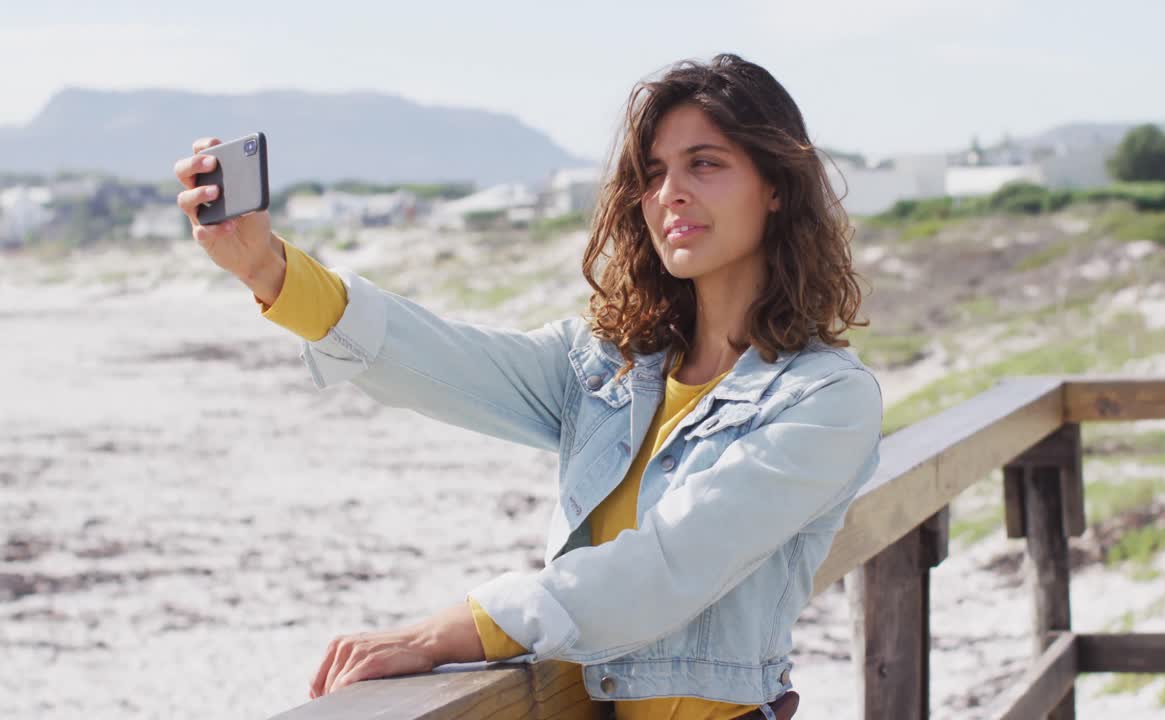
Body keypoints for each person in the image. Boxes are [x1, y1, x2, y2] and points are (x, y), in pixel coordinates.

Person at [173, 53, 882, 720]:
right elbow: (437, 361)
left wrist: (448, 632)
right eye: (655, 171)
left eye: (705, 164)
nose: (671, 194)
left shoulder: (824, 401)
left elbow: (666, 566)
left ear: (777, 187)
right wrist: (266, 268)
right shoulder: (607, 366)